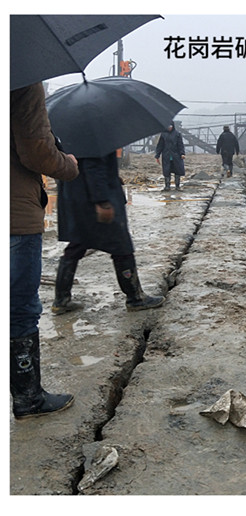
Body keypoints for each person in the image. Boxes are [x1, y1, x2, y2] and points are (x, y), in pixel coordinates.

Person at [10, 82, 79, 419]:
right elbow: (35, 149)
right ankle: (28, 397)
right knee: (20, 309)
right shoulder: (21, 74)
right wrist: (67, 164)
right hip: (13, 215)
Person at [52, 151, 166, 315]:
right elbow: (93, 167)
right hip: (95, 200)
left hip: (78, 197)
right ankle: (135, 297)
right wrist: (102, 201)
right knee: (122, 246)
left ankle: (61, 299)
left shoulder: (74, 136)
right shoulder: (95, 136)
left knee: (77, 244)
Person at [155, 122, 185, 191]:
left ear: (173, 126)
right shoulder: (163, 134)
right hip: (166, 155)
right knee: (166, 171)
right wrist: (157, 155)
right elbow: (160, 145)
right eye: (168, 126)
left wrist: (182, 153)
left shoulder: (177, 134)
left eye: (170, 126)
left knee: (177, 170)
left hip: (176, 155)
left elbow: (180, 145)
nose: (169, 127)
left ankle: (177, 186)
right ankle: (167, 186)